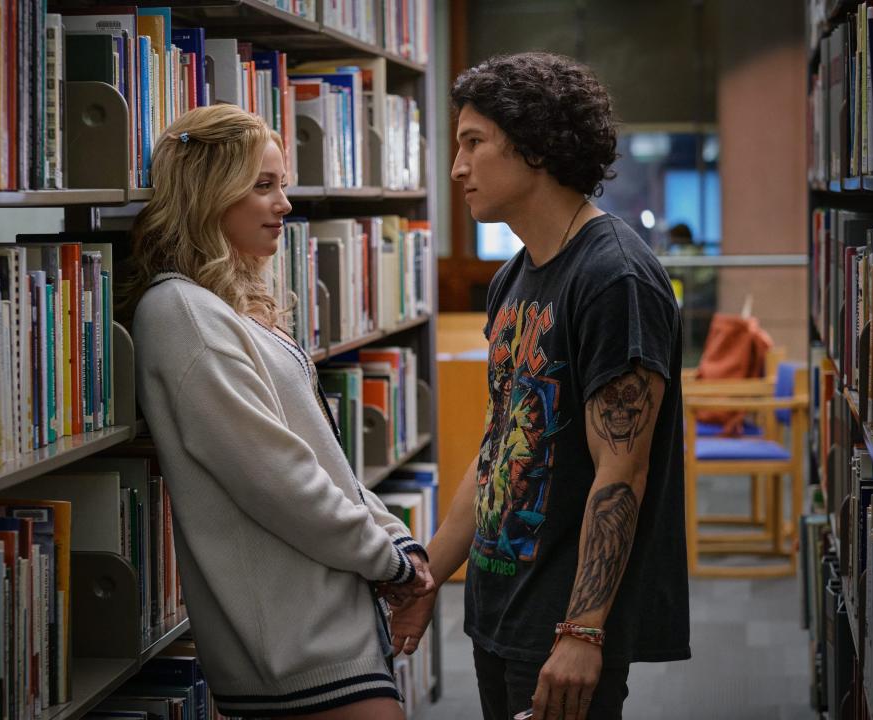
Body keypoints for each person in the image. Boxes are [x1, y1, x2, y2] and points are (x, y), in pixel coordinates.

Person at [391, 52, 691, 720]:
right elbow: (500, 448)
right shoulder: (513, 278)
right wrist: (429, 575)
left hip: (564, 625)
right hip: (498, 606)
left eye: (474, 143)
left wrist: (583, 630)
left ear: (534, 147)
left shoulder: (614, 278)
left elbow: (623, 472)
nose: (456, 167)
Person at [127, 104, 433, 719]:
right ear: (209, 196)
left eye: (283, 184)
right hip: (295, 648)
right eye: (262, 186)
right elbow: (278, 480)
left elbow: (323, 460)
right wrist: (392, 563)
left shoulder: (224, 307)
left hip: (330, 623)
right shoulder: (182, 314)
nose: (285, 205)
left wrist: (404, 547)